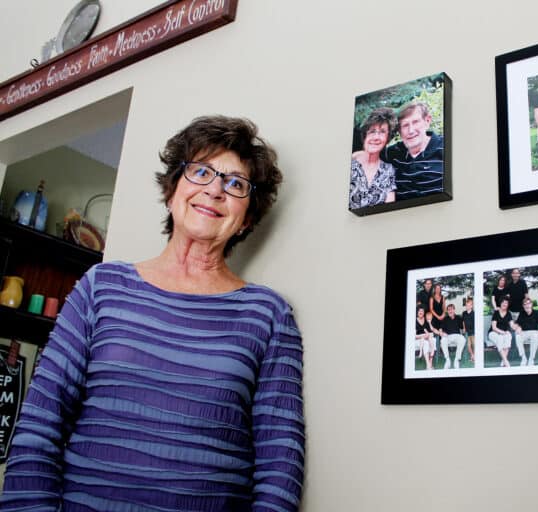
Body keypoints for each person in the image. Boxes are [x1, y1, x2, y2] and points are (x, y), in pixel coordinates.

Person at [0, 116, 305, 510]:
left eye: (235, 184)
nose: (214, 190)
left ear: (246, 219)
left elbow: (279, 463)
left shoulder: (269, 315)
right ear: (171, 190)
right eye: (201, 171)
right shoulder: (101, 287)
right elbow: (40, 426)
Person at [382, 101, 444, 201]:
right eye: (405, 125)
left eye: (415, 122)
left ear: (427, 121)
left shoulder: (444, 147)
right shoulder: (392, 154)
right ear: (399, 131)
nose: (411, 130)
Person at [349, 107, 397, 209]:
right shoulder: (351, 161)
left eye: (382, 132)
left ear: (387, 138)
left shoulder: (388, 170)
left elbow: (390, 209)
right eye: (372, 131)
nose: (376, 137)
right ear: (365, 134)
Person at [514, 298, 538, 366]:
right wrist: (518, 328)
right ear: (523, 306)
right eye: (525, 304)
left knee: (535, 336)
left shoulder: (536, 313)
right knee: (517, 336)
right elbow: (517, 324)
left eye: (528, 303)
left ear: (531, 304)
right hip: (524, 333)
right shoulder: (522, 313)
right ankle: (523, 358)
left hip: (534, 332)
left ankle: (531, 359)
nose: (527, 305)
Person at [488, 297, 515, 367]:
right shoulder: (496, 313)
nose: (504, 304)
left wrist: (518, 328)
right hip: (493, 333)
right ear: (500, 303)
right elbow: (494, 328)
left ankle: (503, 363)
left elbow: (512, 325)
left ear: (508, 305)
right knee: (500, 338)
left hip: (504, 334)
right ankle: (506, 362)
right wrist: (502, 332)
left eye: (506, 303)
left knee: (509, 336)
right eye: (503, 302)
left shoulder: (508, 314)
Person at [440, 304, 466, 369]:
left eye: (451, 309)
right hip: (448, 336)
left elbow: (463, 329)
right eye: (448, 310)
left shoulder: (458, 318)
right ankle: (447, 360)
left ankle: (456, 359)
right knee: (443, 340)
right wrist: (442, 333)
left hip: (457, 336)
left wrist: (464, 328)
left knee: (463, 339)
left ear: (454, 310)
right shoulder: (445, 319)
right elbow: (440, 329)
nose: (450, 311)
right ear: (447, 311)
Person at [415, 305, 436, 369]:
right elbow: (414, 336)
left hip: (426, 337)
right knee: (425, 343)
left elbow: (430, 331)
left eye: (422, 311)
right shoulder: (414, 321)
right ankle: (428, 365)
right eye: (419, 311)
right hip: (418, 339)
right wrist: (423, 336)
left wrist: (429, 334)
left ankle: (430, 363)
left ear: (424, 312)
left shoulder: (426, 320)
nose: (421, 312)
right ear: (417, 312)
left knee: (432, 340)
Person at [462, 298, 476, 363]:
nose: (467, 306)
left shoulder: (474, 313)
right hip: (467, 332)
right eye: (466, 305)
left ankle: (474, 357)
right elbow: (463, 322)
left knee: (474, 344)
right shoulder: (464, 313)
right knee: (468, 345)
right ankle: (472, 355)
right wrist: (464, 328)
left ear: (471, 306)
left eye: (469, 305)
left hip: (473, 332)